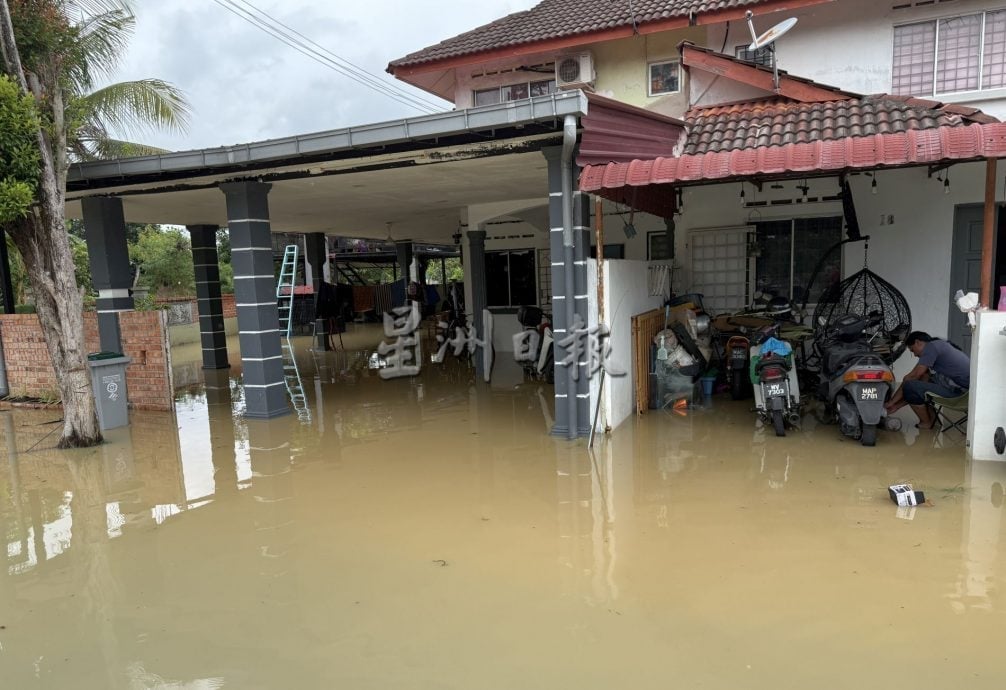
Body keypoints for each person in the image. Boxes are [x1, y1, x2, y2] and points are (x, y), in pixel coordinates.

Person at [884, 331, 970, 429]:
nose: (915, 355)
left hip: (960, 394)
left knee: (910, 386)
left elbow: (911, 377)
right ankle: (932, 419)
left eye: (912, 350)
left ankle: (926, 422)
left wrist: (891, 402)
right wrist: (896, 406)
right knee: (923, 379)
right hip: (966, 393)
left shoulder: (931, 347)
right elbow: (918, 376)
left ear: (918, 342)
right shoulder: (939, 344)